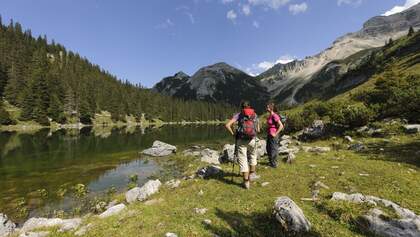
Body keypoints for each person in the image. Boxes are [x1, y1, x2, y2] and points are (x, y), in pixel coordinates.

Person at [225, 101, 260, 189]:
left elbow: (227, 125)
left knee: (243, 160)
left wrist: (233, 134)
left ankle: (246, 182)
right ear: (249, 106)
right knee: (253, 155)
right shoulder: (255, 114)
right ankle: (252, 175)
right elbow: (258, 129)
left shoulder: (239, 115)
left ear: (242, 107)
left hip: (241, 140)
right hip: (252, 139)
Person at [266, 102, 284, 168]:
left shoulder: (274, 115)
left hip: (273, 135)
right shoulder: (270, 115)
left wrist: (275, 134)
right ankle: (271, 162)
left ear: (271, 108)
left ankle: (274, 164)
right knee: (268, 148)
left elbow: (281, 126)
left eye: (267, 107)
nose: (266, 108)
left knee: (274, 149)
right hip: (269, 134)